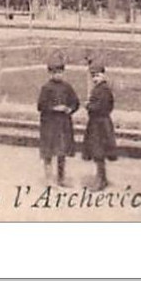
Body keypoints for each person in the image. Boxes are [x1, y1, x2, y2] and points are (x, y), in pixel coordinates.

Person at [36, 53, 79, 184]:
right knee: (48, 151)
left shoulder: (67, 87)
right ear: (50, 73)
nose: (58, 75)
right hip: (49, 124)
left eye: (60, 72)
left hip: (63, 124)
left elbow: (75, 102)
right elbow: (40, 105)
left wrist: (69, 109)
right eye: (55, 72)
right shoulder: (46, 88)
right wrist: (54, 108)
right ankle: (48, 178)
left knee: (62, 151)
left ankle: (61, 178)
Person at [82, 60, 117, 191]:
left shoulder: (104, 90)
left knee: (99, 152)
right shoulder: (98, 89)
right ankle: (101, 177)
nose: (95, 79)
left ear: (103, 75)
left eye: (97, 75)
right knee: (97, 152)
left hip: (101, 124)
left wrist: (89, 106)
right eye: (93, 76)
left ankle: (101, 180)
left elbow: (103, 106)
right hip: (96, 124)